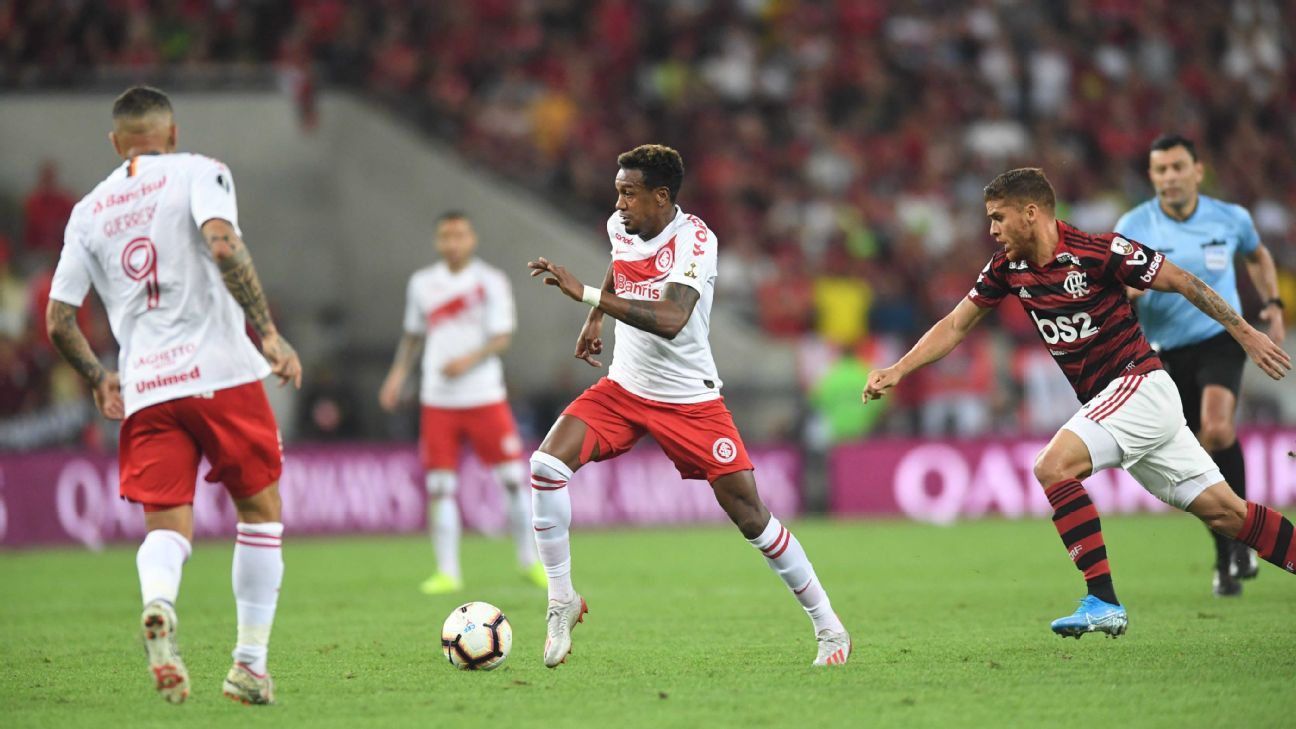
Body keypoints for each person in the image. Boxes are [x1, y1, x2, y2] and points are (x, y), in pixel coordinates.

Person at [863, 168, 1293, 639]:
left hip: (1139, 386)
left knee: (1052, 466)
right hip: (1125, 404)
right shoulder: (1006, 268)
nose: (992, 230)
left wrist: (1245, 333)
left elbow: (1184, 281)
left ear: (1031, 213)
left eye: (998, 217)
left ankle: (1103, 601)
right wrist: (899, 368)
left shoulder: (1099, 251)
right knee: (1227, 513)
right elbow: (955, 325)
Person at [526, 144, 850, 668]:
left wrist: (585, 296)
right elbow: (620, 263)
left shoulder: (696, 240)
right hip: (625, 388)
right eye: (617, 192)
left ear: (661, 196)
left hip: (688, 400)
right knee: (545, 467)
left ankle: (829, 626)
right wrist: (595, 319)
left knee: (751, 517)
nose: (619, 203)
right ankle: (561, 600)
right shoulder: (620, 225)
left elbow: (672, 319)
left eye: (629, 194)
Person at [45, 86, 302, 705]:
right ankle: (249, 666)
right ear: (173, 133)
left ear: (117, 143)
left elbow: (57, 319)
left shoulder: (88, 209)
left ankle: (159, 602)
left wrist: (99, 378)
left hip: (146, 386)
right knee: (261, 512)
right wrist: (267, 333)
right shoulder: (200, 172)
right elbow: (223, 244)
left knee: (166, 527)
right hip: (220, 372)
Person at [1115, 134, 1286, 597]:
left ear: (1197, 171)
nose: (1169, 177)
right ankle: (1227, 553)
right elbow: (1117, 285)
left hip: (1220, 339)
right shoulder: (1133, 224)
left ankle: (1244, 538)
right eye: (1160, 170)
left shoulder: (1231, 218)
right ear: (1152, 176)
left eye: (1177, 167)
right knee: (1197, 456)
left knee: (1216, 427)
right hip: (1163, 353)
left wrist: (1272, 303)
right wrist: (1129, 291)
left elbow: (1257, 255)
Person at [379, 211, 544, 594]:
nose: (452, 243)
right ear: (438, 241)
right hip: (438, 399)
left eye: (459, 235)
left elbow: (502, 337)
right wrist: (397, 376)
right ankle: (448, 572)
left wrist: (466, 362)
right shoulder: (422, 283)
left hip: (485, 395)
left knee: (513, 480)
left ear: (472, 239)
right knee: (440, 485)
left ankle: (529, 561)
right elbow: (413, 336)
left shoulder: (490, 281)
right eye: (445, 236)